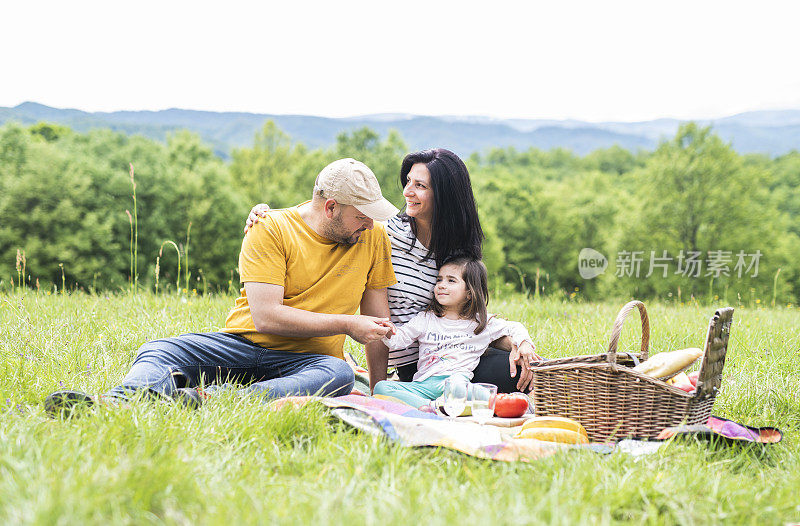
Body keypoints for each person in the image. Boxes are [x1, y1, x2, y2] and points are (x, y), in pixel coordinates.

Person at [44, 158, 399, 416]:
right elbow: (267, 318)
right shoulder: (271, 228)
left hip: (309, 361)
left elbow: (377, 324)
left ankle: (208, 400)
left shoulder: (373, 238)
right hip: (243, 345)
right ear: (332, 207)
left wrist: (377, 390)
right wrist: (346, 324)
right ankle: (119, 402)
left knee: (336, 374)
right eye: (362, 215)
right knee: (161, 349)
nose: (369, 224)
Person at [246, 149, 539, 393]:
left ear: (446, 196)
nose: (407, 192)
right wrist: (265, 216)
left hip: (458, 354)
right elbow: (328, 219)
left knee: (526, 370)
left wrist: (518, 342)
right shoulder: (379, 235)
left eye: (420, 186)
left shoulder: (458, 252)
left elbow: (467, 322)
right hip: (418, 364)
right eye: (408, 181)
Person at [373, 256, 541, 408]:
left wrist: (524, 344)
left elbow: (515, 327)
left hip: (457, 384)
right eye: (439, 280)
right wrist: (384, 329)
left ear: (469, 293)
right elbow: (398, 340)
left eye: (451, 281)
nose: (441, 285)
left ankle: (503, 404)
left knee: (459, 388)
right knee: (381, 388)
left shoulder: (480, 323)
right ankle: (432, 407)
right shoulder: (425, 319)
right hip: (423, 385)